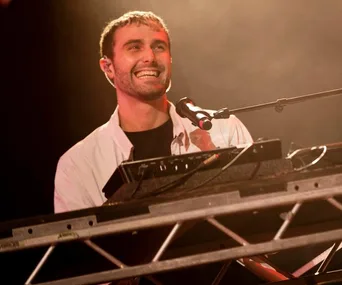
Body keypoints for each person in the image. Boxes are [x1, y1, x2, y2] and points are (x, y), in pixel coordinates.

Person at [54, 10, 253, 213]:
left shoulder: (224, 130)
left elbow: (259, 214)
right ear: (108, 67)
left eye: (159, 47)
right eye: (134, 47)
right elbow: (80, 244)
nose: (150, 57)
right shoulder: (78, 165)